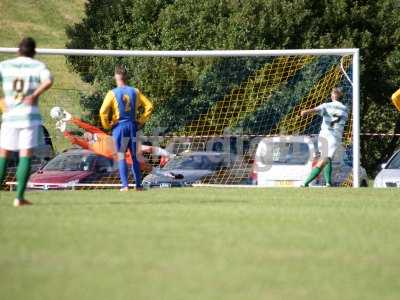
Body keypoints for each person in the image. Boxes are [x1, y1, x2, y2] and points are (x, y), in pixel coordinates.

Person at [0, 37, 53, 206]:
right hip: (29, 116)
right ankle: (19, 198)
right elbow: (49, 80)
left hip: (9, 116)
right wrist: (34, 95)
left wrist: (1, 101)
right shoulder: (37, 66)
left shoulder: (5, 65)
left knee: (4, 155)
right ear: (34, 52)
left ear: (18, 50)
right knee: (25, 155)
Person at [99, 65, 153, 191]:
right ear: (126, 77)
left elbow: (102, 112)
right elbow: (149, 106)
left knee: (121, 156)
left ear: (115, 77)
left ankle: (125, 186)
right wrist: (141, 120)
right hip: (132, 126)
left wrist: (107, 125)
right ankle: (139, 186)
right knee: (135, 157)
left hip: (119, 127)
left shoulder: (112, 93)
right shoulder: (135, 91)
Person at [300, 87, 348, 187]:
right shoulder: (345, 109)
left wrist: (305, 112)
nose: (331, 94)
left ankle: (306, 183)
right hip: (335, 137)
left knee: (324, 159)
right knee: (326, 158)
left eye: (332, 93)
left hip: (325, 136)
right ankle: (327, 183)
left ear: (334, 95)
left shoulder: (327, 105)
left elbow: (315, 110)